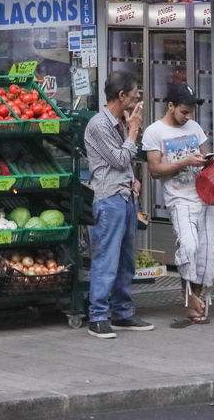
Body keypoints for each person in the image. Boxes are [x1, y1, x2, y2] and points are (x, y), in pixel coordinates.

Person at [83, 71, 154, 339]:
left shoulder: (120, 122)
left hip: (126, 197)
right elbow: (120, 158)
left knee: (125, 260)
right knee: (106, 259)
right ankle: (98, 316)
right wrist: (133, 130)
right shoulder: (99, 125)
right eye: (134, 93)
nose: (137, 98)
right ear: (121, 96)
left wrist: (133, 180)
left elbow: (127, 163)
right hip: (109, 198)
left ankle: (122, 312)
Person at [143, 83, 214, 325]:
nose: (188, 117)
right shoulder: (154, 132)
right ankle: (189, 297)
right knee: (189, 246)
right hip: (179, 198)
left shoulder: (194, 127)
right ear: (171, 106)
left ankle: (194, 300)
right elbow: (154, 170)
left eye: (191, 113)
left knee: (206, 252)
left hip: (203, 196)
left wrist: (206, 161)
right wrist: (185, 161)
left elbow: (204, 157)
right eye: (184, 112)